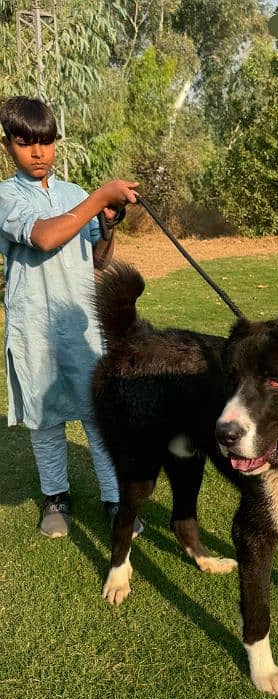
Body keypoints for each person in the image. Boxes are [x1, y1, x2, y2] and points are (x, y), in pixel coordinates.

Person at [0, 95, 143, 538]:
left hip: (83, 328)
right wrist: (101, 195)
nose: (38, 153)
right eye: (26, 143)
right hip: (34, 330)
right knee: (45, 420)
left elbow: (97, 259)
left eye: (46, 142)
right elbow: (44, 237)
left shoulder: (74, 195)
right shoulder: (3, 196)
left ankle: (114, 499)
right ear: (7, 146)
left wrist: (109, 224)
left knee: (99, 417)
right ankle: (56, 497)